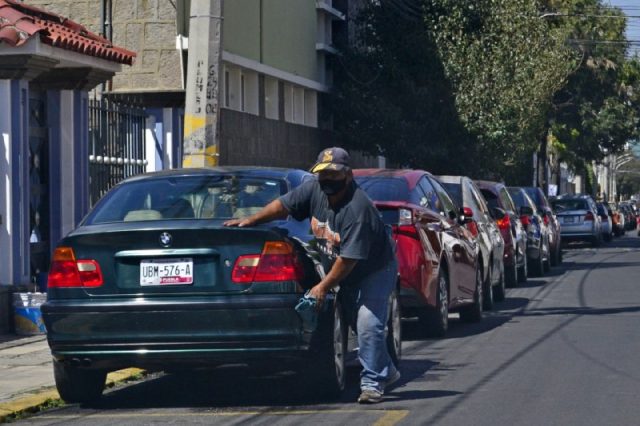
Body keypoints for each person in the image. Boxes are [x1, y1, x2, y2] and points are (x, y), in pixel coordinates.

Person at [224, 147, 400, 403]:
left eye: (334, 174)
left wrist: (322, 287)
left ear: (348, 176)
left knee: (367, 323)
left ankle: (372, 383)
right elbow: (283, 206)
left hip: (373, 269)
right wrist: (253, 219)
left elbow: (348, 260)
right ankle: (387, 370)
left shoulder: (358, 209)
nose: (328, 180)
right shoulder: (313, 190)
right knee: (357, 324)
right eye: (322, 174)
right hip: (343, 268)